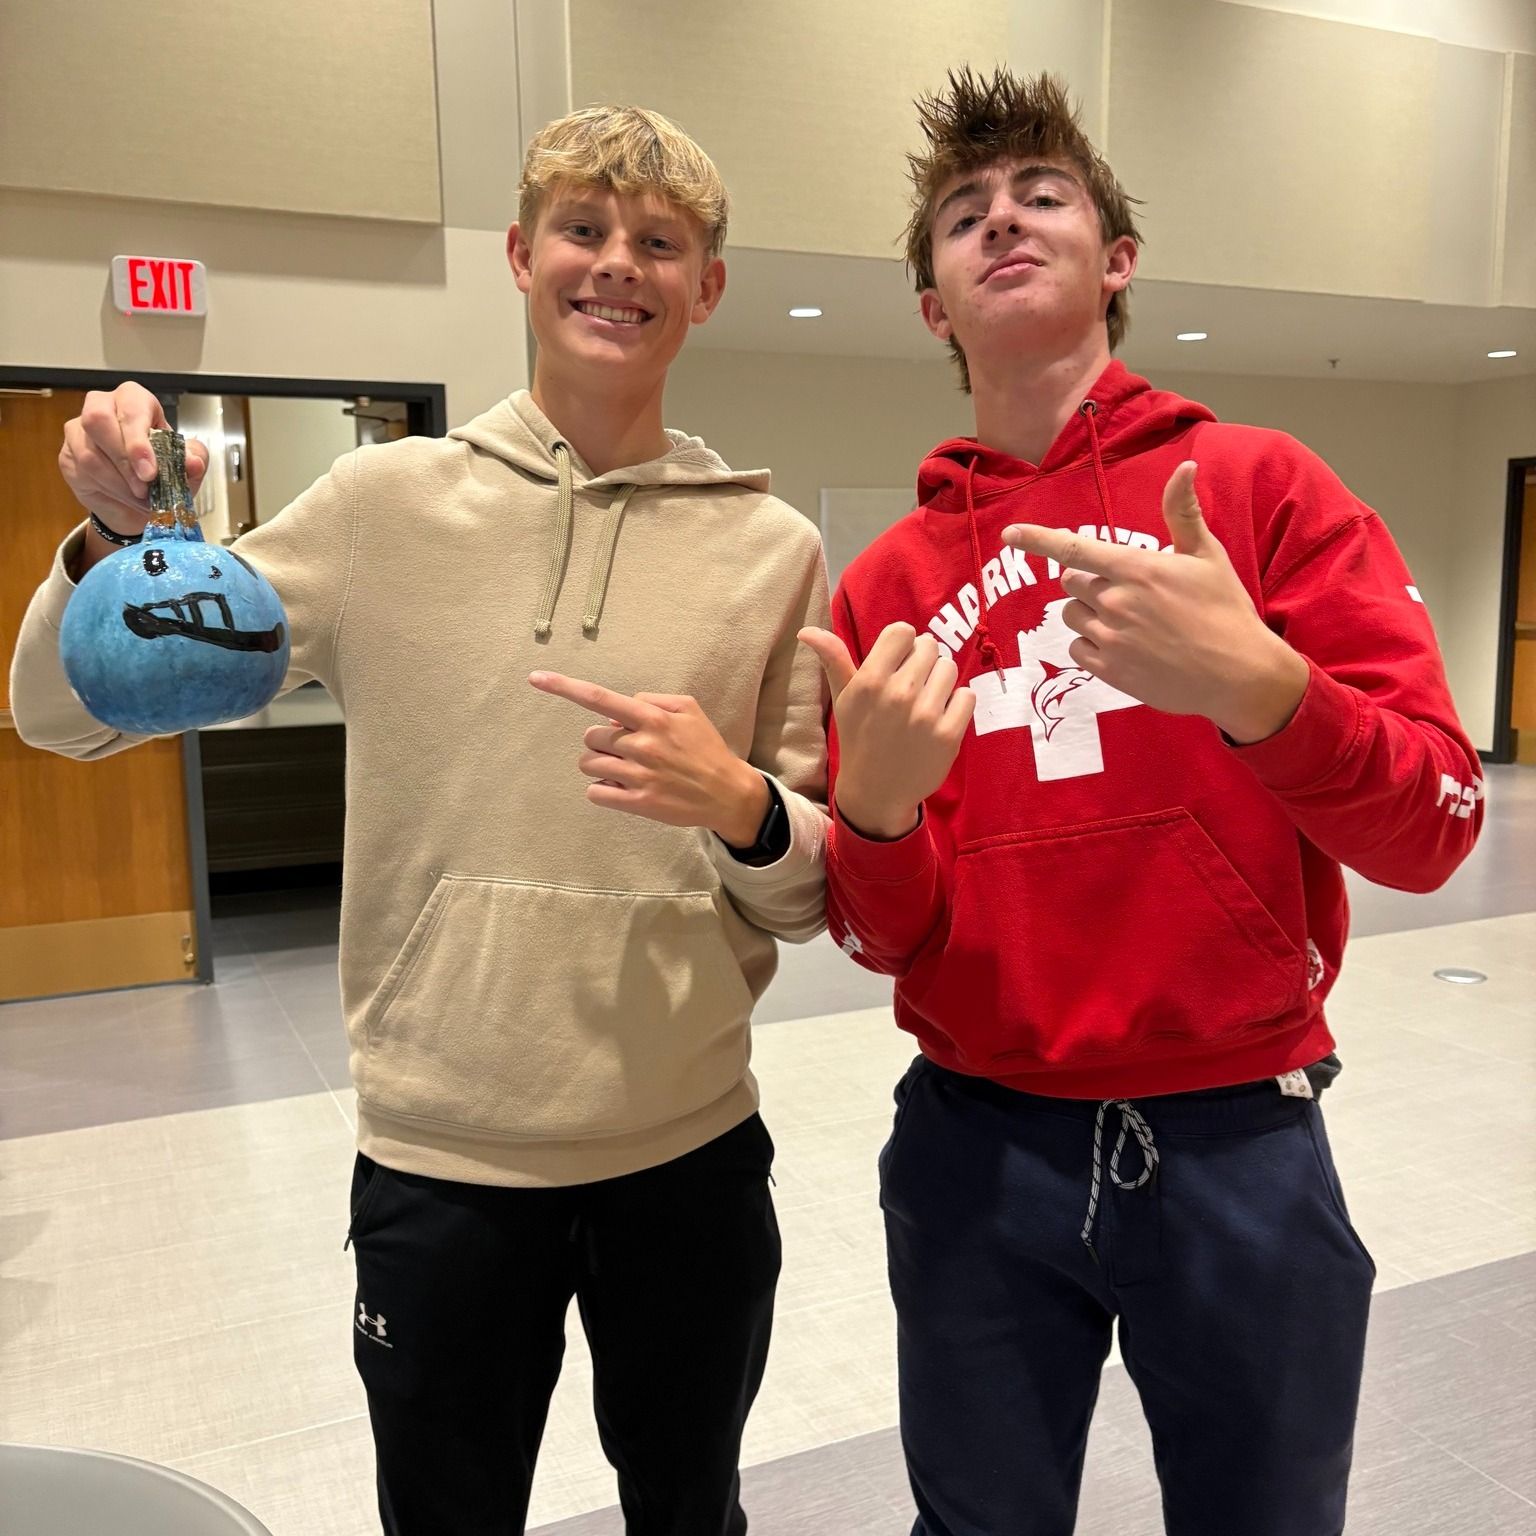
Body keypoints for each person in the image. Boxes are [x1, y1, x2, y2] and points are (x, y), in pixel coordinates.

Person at [11, 105, 831, 1536]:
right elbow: (65, 716)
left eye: (659, 243)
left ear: (706, 287)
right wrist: (112, 544)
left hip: (691, 1153)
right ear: (520, 254)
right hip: (445, 1165)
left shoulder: (772, 551)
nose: (616, 264)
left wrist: (747, 810)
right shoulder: (377, 507)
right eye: (583, 229)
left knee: (692, 1510)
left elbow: (804, 890)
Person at [798, 67, 1483, 1536]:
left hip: (1244, 1142)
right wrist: (879, 819)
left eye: (1041, 196)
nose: (1002, 222)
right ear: (931, 305)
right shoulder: (886, 587)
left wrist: (1267, 693)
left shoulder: (1260, 489)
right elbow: (874, 937)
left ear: (1117, 260)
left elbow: (1437, 827)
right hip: (977, 1148)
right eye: (964, 215)